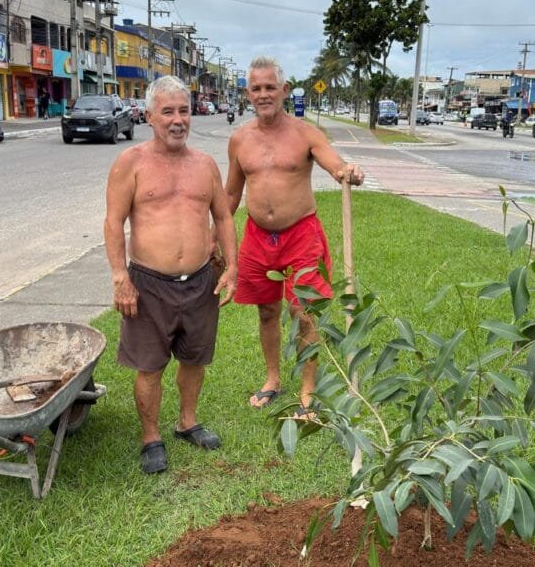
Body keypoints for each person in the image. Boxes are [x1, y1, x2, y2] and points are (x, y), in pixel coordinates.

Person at [104, 75, 237, 474]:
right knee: (150, 365)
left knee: (194, 358)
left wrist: (232, 267)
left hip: (200, 281)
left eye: (183, 110)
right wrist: (119, 278)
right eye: (168, 112)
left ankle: (187, 421)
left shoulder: (205, 165)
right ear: (149, 117)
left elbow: (224, 217)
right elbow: (113, 223)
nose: (178, 120)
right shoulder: (131, 163)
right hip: (148, 284)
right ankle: (150, 437)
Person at [225, 56, 364, 417]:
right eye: (256, 88)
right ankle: (273, 379)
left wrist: (346, 171)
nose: (264, 94)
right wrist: (215, 233)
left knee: (304, 313)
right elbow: (230, 195)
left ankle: (307, 392)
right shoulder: (240, 140)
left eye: (270, 87)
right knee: (266, 312)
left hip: (301, 234)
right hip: (258, 238)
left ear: (284, 90)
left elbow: (333, 163)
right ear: (247, 94)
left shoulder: (305, 133)